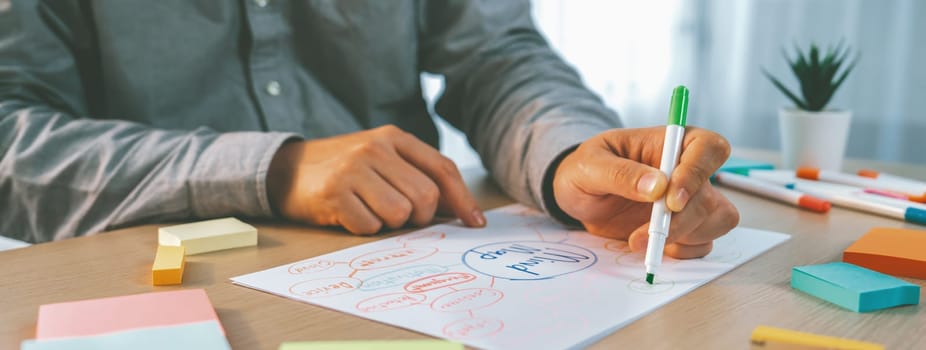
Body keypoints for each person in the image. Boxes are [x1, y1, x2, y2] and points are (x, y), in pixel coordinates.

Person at [0, 1, 737, 258]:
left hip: (408, 261)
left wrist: (567, 158)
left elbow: (494, 54)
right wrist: (272, 168)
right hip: (145, 286)